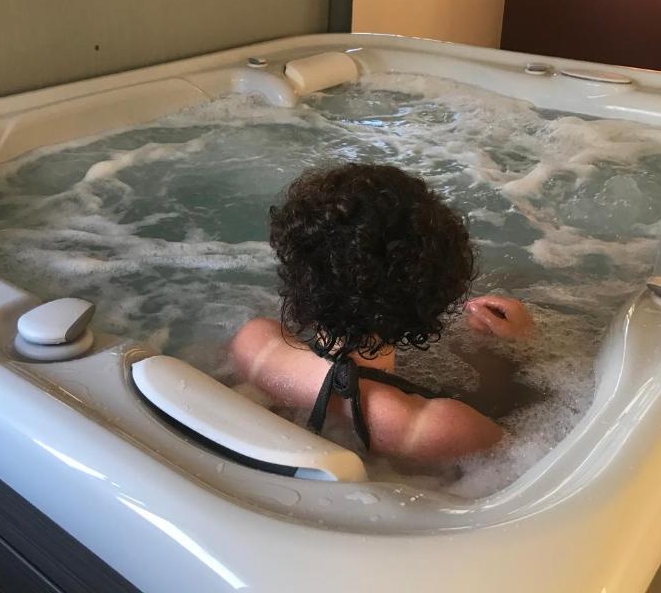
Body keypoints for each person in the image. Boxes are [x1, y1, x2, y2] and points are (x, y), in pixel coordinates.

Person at [229, 163, 537, 464]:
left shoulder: (254, 343)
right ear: (432, 299)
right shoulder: (435, 428)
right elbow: (528, 458)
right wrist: (518, 349)